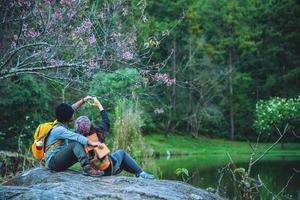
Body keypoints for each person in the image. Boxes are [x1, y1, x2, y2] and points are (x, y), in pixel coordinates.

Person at [75, 97, 155, 179]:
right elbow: (106, 120)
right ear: (90, 126)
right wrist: (99, 105)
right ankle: (140, 173)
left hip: (94, 170)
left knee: (116, 158)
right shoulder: (98, 133)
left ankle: (137, 173)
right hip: (108, 169)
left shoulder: (76, 140)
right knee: (121, 153)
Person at [45, 96, 104, 176]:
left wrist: (83, 100)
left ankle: (96, 165)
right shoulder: (59, 130)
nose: (73, 114)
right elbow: (76, 137)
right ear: (67, 117)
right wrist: (93, 143)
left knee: (83, 142)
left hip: (58, 160)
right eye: (71, 114)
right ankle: (87, 168)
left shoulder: (61, 121)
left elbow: (72, 108)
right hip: (53, 162)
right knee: (76, 143)